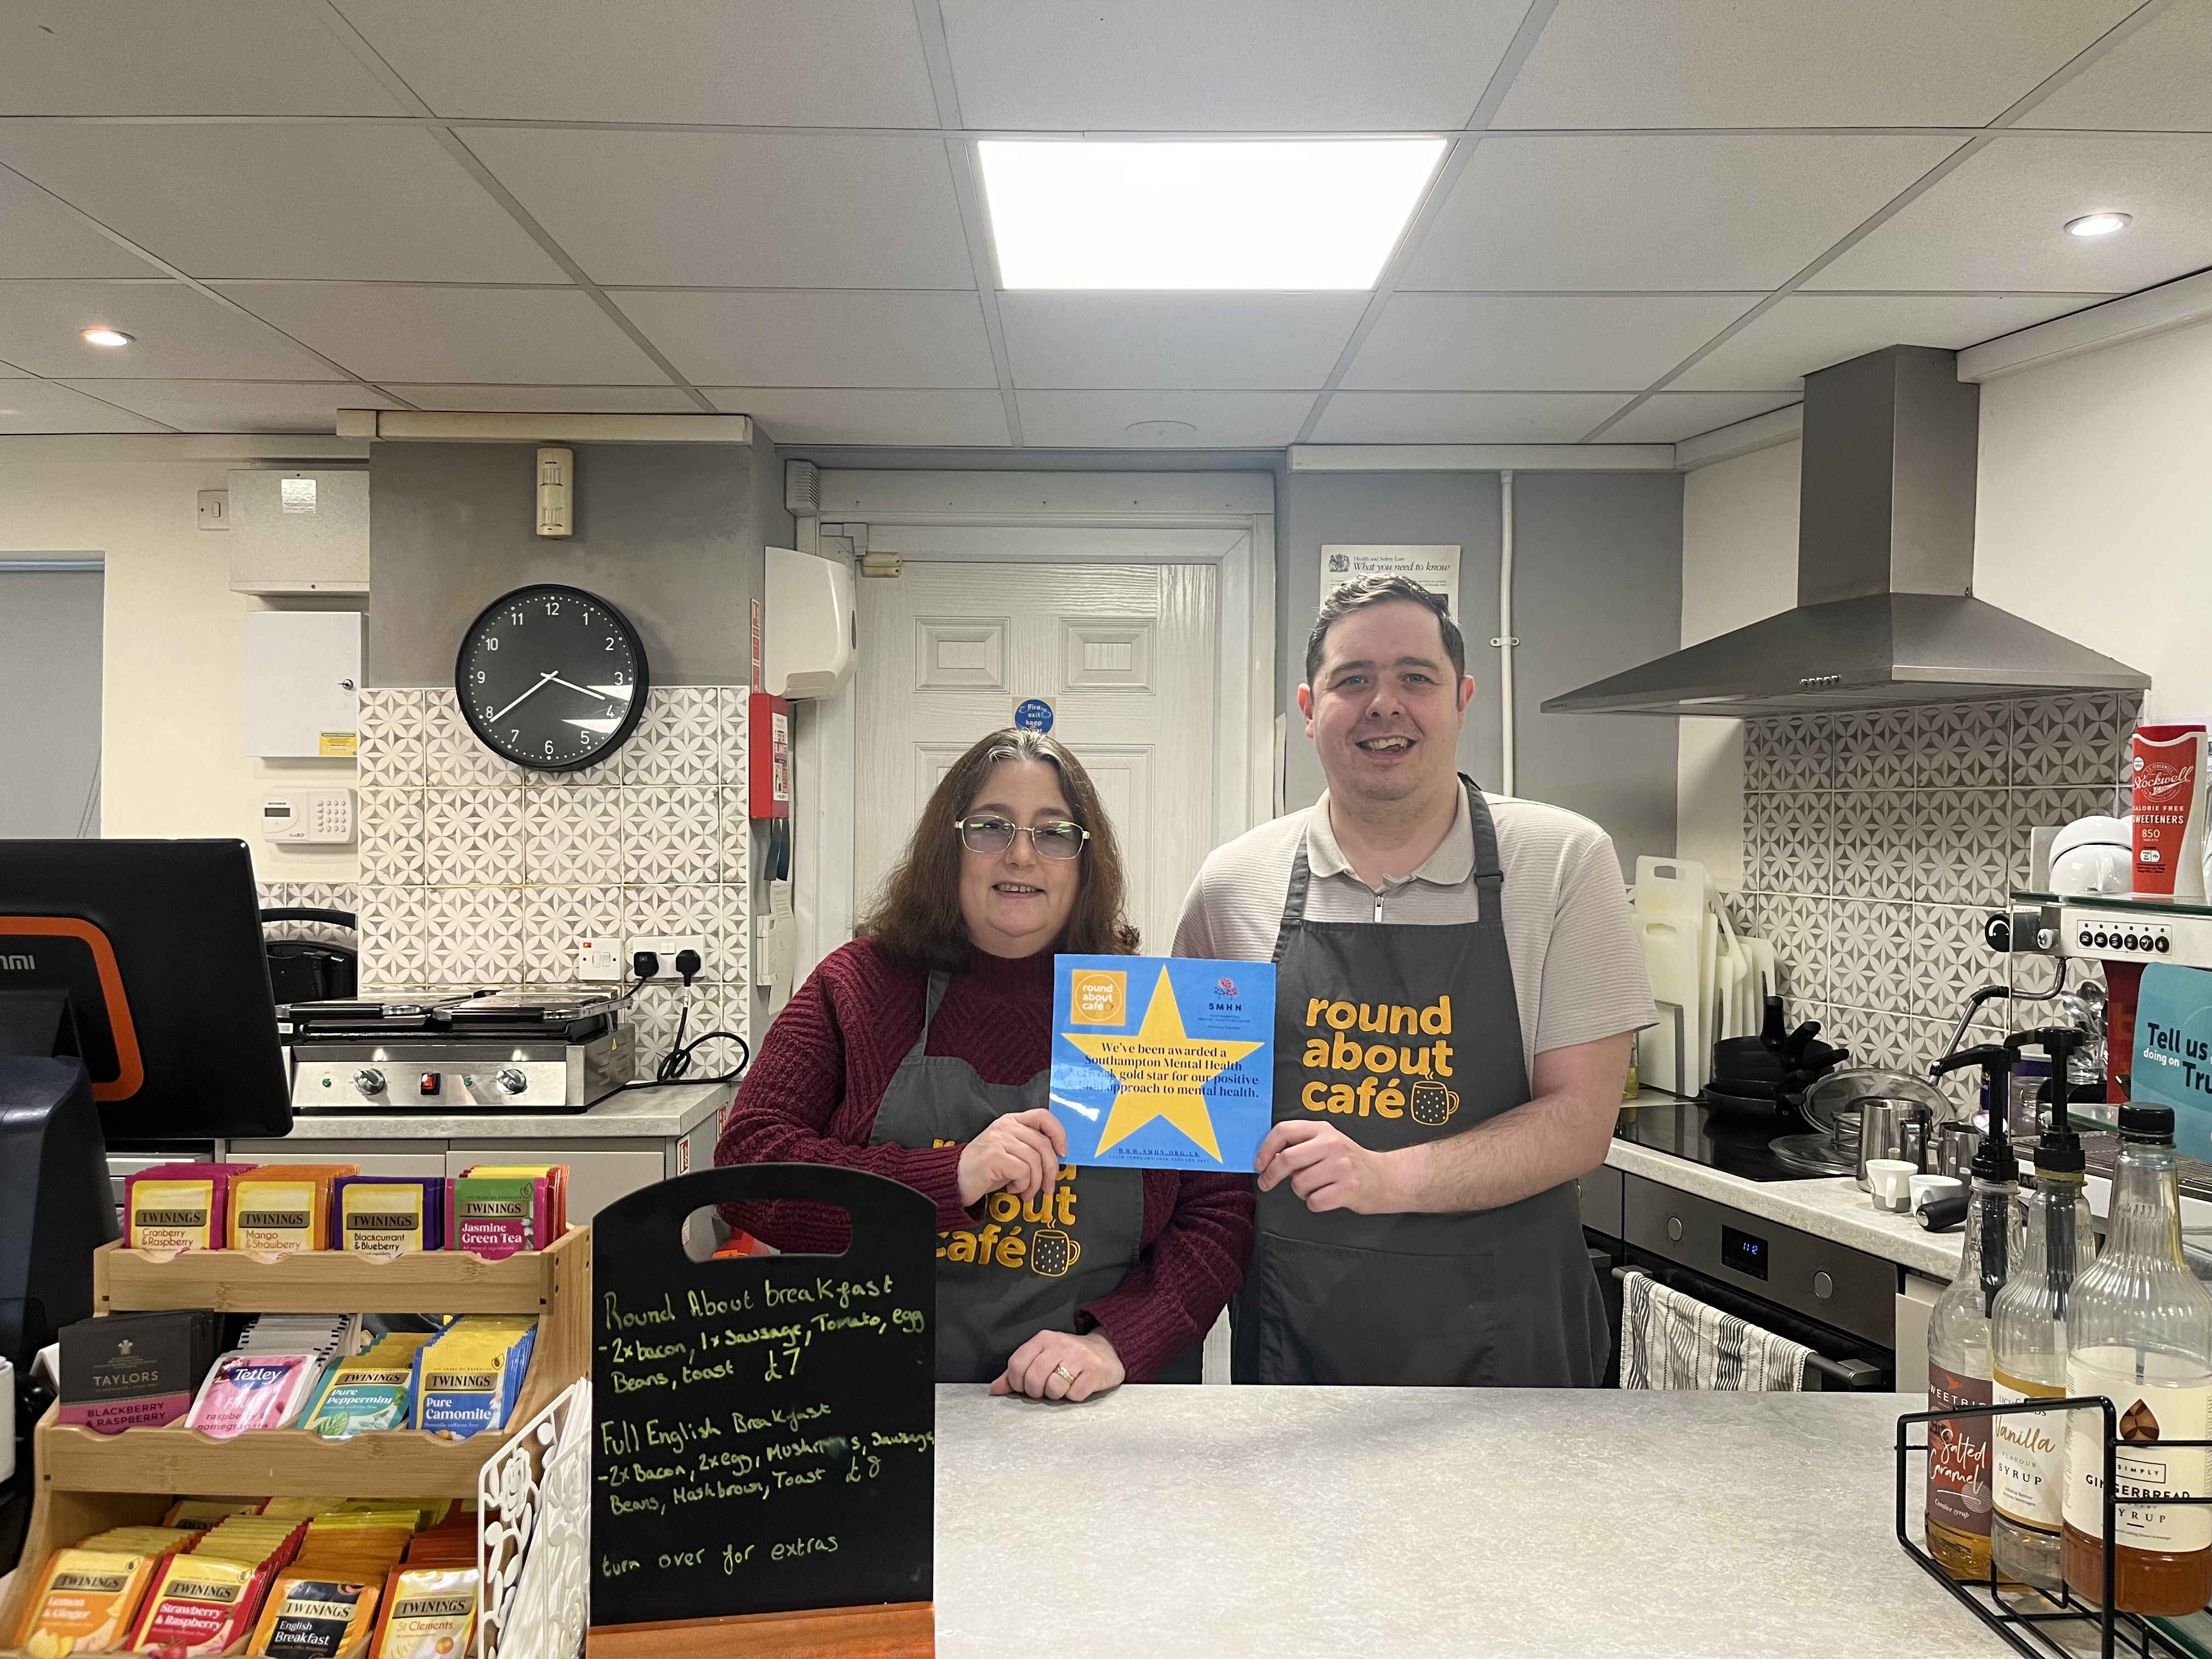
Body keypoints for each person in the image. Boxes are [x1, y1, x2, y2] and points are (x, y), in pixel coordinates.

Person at [1173, 573, 1654, 1387]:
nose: (1384, 704)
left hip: (1510, 1342)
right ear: (1309, 708)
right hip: (1299, 1336)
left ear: (1462, 699)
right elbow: (1187, 1115)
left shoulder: (1564, 862)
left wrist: (1384, 1176)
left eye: (1416, 677)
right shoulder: (1233, 884)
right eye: (1353, 679)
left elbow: (1580, 1123)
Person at [715, 727, 1254, 1398]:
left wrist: (1117, 1342)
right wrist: (949, 1176)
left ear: (1085, 862)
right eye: (992, 827)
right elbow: (746, 1169)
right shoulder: (858, 988)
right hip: (880, 1399)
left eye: (1054, 833)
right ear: (949, 846)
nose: (1022, 855)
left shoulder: (1156, 1009)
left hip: (1098, 1408)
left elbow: (1219, 1213)